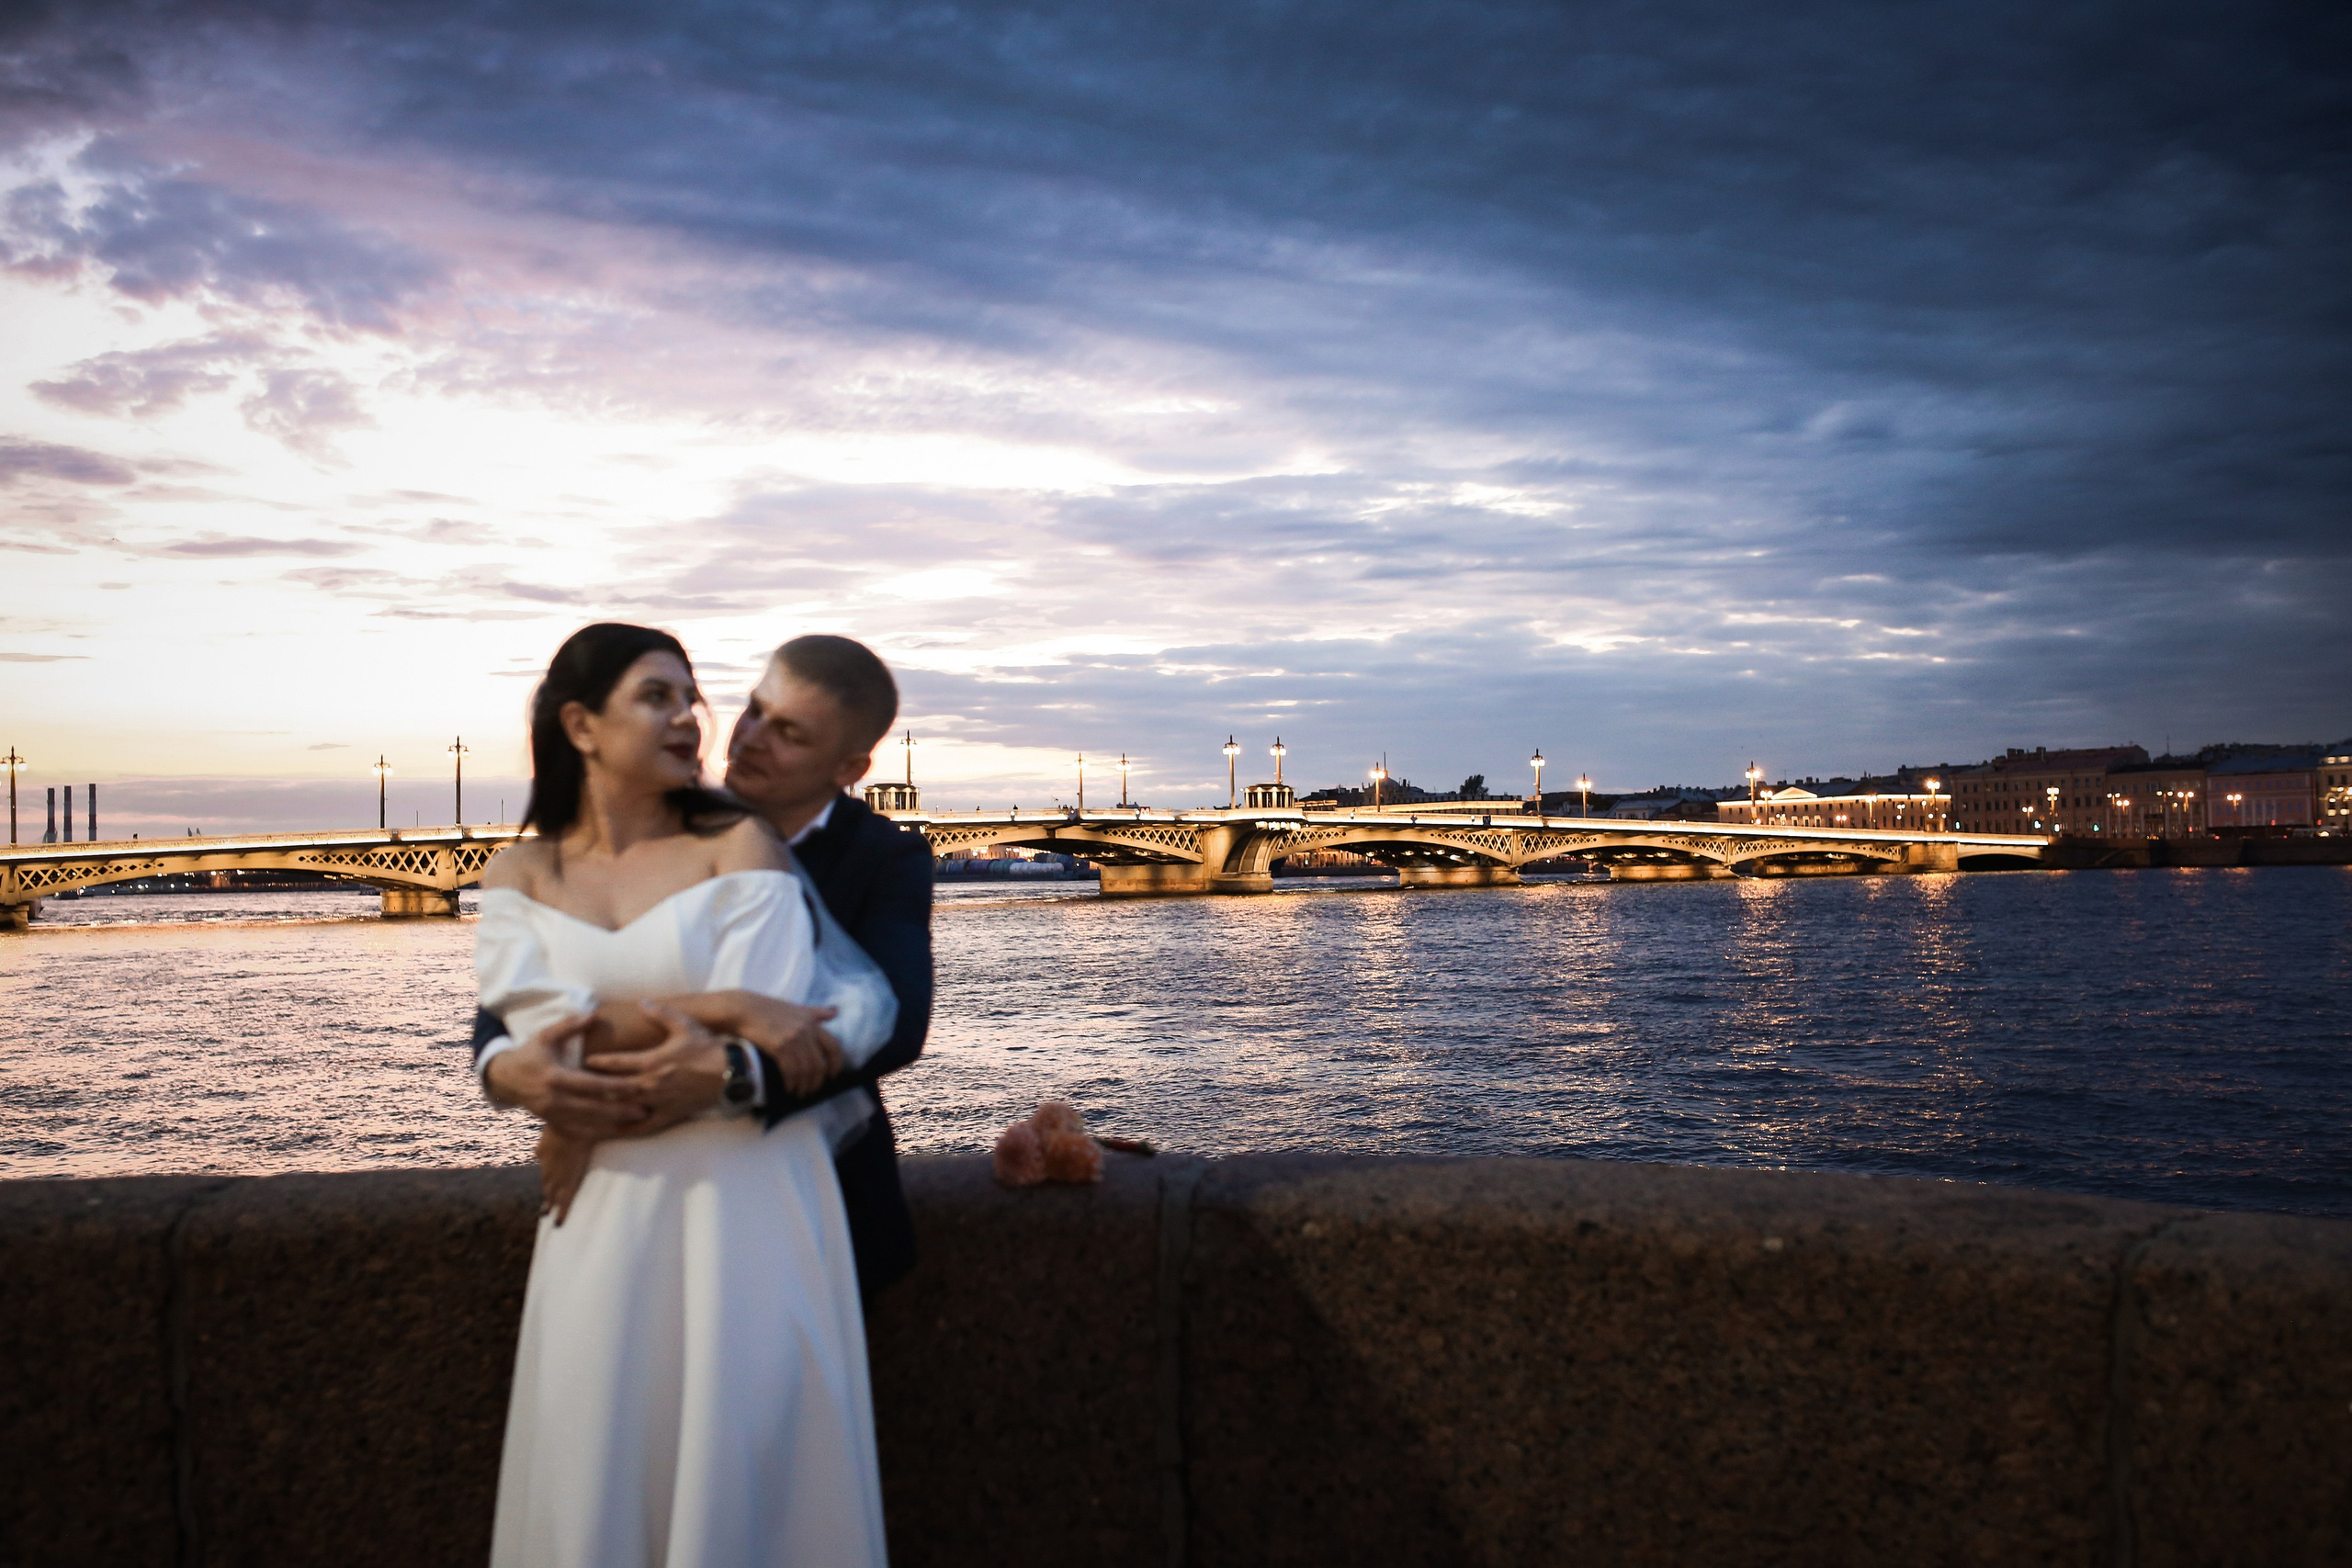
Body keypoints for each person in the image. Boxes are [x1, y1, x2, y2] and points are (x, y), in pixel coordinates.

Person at [476, 622, 893, 1567]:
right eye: (657, 696)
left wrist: (580, 1087)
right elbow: (531, 1029)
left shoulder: (739, 843)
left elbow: (785, 1024)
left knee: (749, 1463)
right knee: (599, 1464)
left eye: (689, 694)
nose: (697, 719)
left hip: (744, 1196)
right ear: (580, 726)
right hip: (605, 1218)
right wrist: (723, 1001)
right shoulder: (520, 871)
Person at [474, 634, 933, 1296]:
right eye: (752, 711)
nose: (747, 740)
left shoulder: (887, 857)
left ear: (849, 766)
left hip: (805, 1195)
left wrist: (728, 1076)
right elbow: (527, 987)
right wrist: (504, 1066)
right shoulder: (659, 817)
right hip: (622, 1204)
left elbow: (896, 1021)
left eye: (790, 734)